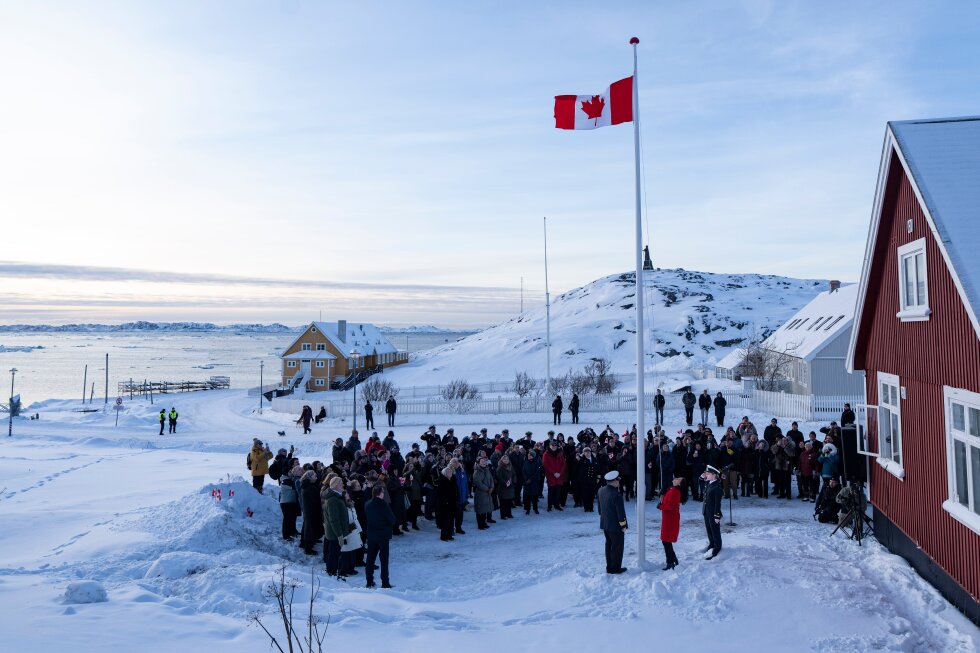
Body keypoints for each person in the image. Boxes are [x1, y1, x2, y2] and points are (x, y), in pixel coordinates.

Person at [364, 484, 395, 588]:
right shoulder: (383, 504)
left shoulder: (367, 504)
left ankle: (369, 581)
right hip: (383, 536)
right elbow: (392, 519)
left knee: (370, 559)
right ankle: (385, 582)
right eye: (383, 492)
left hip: (371, 535)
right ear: (380, 493)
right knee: (384, 560)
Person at [598, 470, 628, 574]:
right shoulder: (616, 495)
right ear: (614, 481)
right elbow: (620, 513)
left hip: (605, 524)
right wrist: (623, 525)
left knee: (608, 546)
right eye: (618, 480)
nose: (619, 482)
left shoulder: (601, 490)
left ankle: (609, 567)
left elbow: (599, 509)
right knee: (617, 547)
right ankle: (615, 568)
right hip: (615, 526)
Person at [323, 477, 350, 578]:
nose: (343, 485)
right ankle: (331, 574)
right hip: (335, 533)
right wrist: (339, 535)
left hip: (336, 531)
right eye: (341, 483)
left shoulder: (337, 496)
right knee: (333, 554)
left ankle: (334, 573)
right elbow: (334, 519)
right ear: (336, 485)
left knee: (335, 553)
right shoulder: (332, 500)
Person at [659, 476, 687, 570]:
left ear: (679, 483)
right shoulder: (672, 489)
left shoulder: (675, 491)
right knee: (666, 540)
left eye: (679, 479)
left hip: (670, 519)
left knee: (666, 540)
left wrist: (660, 506)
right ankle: (673, 559)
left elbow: (669, 506)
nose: (676, 479)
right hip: (668, 518)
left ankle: (670, 561)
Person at [299, 470, 324, 555]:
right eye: (314, 476)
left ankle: (304, 542)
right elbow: (316, 499)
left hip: (310, 509)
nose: (316, 477)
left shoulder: (309, 485)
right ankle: (308, 547)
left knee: (307, 526)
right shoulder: (309, 487)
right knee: (309, 528)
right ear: (309, 477)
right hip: (311, 510)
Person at [702, 465, 723, 560]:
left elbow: (717, 504)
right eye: (706, 473)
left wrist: (717, 515)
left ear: (714, 475)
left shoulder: (717, 487)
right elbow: (700, 480)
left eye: (708, 473)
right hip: (706, 511)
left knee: (715, 531)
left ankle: (717, 547)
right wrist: (702, 476)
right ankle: (711, 543)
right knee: (709, 529)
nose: (706, 475)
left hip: (713, 513)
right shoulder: (709, 483)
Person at [542, 441, 566, 512]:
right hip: (551, 476)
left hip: (559, 476)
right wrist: (554, 473)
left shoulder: (560, 453)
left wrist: (560, 473)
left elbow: (563, 464)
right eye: (552, 445)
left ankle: (556, 505)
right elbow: (545, 465)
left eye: (555, 445)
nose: (554, 446)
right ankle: (549, 506)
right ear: (549, 446)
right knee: (551, 492)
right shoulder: (546, 454)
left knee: (558, 492)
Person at [472, 457, 495, 529]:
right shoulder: (477, 472)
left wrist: (491, 487)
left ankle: (484, 523)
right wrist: (487, 489)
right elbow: (478, 483)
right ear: (478, 463)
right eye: (482, 461)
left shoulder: (487, 470)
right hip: (481, 493)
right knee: (480, 510)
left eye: (485, 461)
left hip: (487, 492)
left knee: (485, 509)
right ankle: (480, 525)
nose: (484, 462)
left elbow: (491, 479)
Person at [522, 449, 543, 515]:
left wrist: (530, 479)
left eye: (530, 455)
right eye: (528, 455)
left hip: (534, 482)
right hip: (527, 483)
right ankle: (527, 509)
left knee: (534, 497)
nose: (529, 456)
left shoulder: (536, 463)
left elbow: (537, 473)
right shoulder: (525, 463)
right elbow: (523, 471)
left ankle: (535, 509)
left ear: (533, 456)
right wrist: (526, 479)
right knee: (527, 497)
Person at [496, 455, 516, 519]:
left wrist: (513, 481)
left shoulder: (511, 466)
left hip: (510, 487)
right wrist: (505, 483)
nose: (506, 460)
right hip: (503, 488)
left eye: (507, 459)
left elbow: (514, 474)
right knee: (503, 502)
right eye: (504, 459)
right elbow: (499, 477)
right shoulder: (500, 467)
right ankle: (503, 515)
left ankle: (509, 514)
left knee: (509, 502)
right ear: (502, 460)